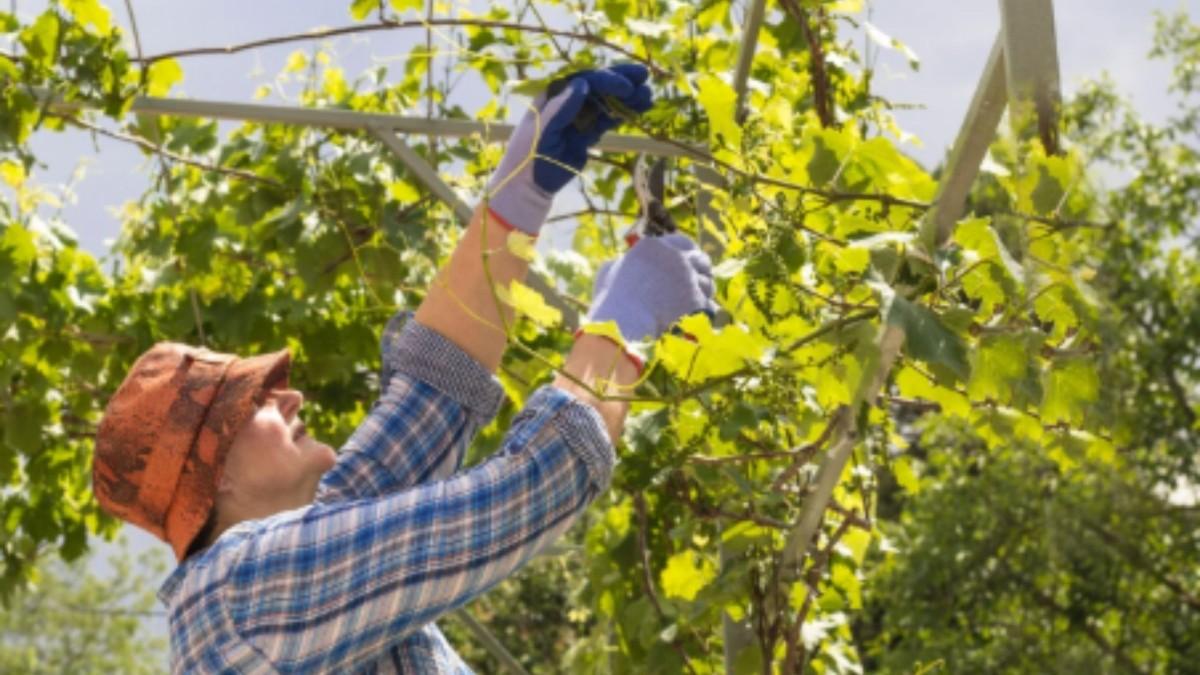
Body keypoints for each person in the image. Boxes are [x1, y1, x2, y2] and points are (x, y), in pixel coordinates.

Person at [91, 64, 717, 673]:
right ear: (212, 476)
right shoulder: (239, 598)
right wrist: (624, 323)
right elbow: (530, 488)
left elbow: (436, 389)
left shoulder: (293, 563)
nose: (291, 397)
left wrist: (522, 190)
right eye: (255, 401)